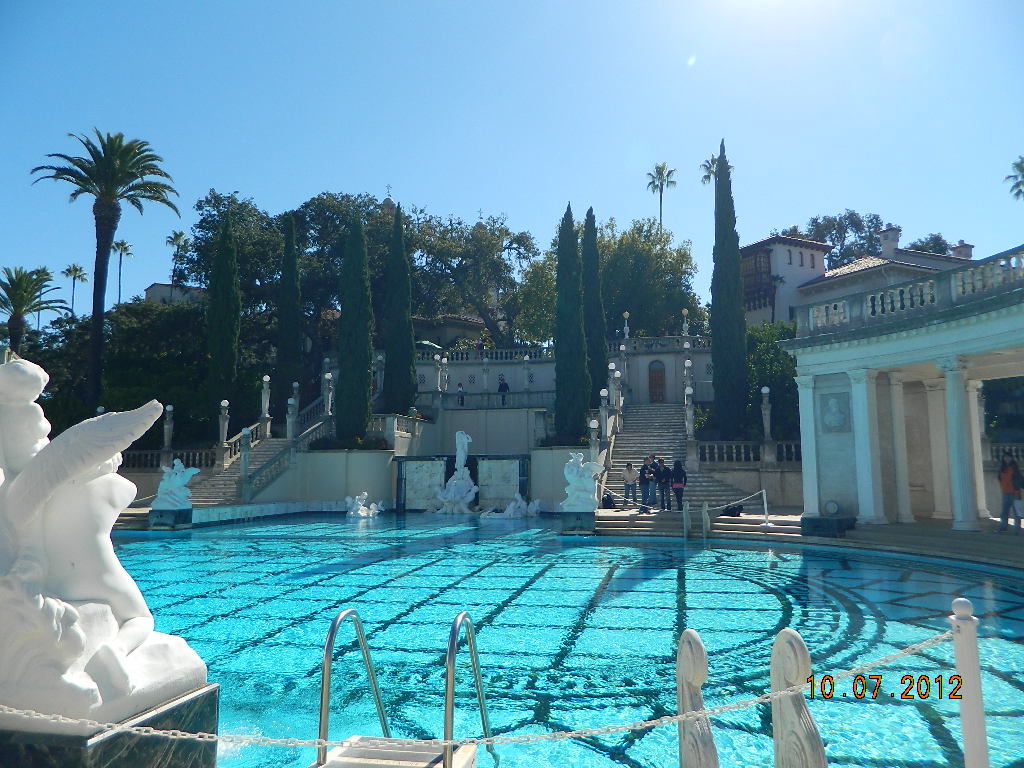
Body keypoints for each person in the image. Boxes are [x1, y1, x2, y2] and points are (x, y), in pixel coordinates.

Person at [997, 452, 1023, 533]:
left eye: (1008, 457)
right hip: (1005, 492)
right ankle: (1003, 527)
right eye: (1005, 457)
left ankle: (1017, 529)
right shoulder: (1002, 468)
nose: (1007, 459)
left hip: (1015, 492)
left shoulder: (1015, 468)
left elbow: (1019, 480)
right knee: (1004, 512)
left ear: (1011, 458)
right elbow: (1000, 478)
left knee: (1017, 512)